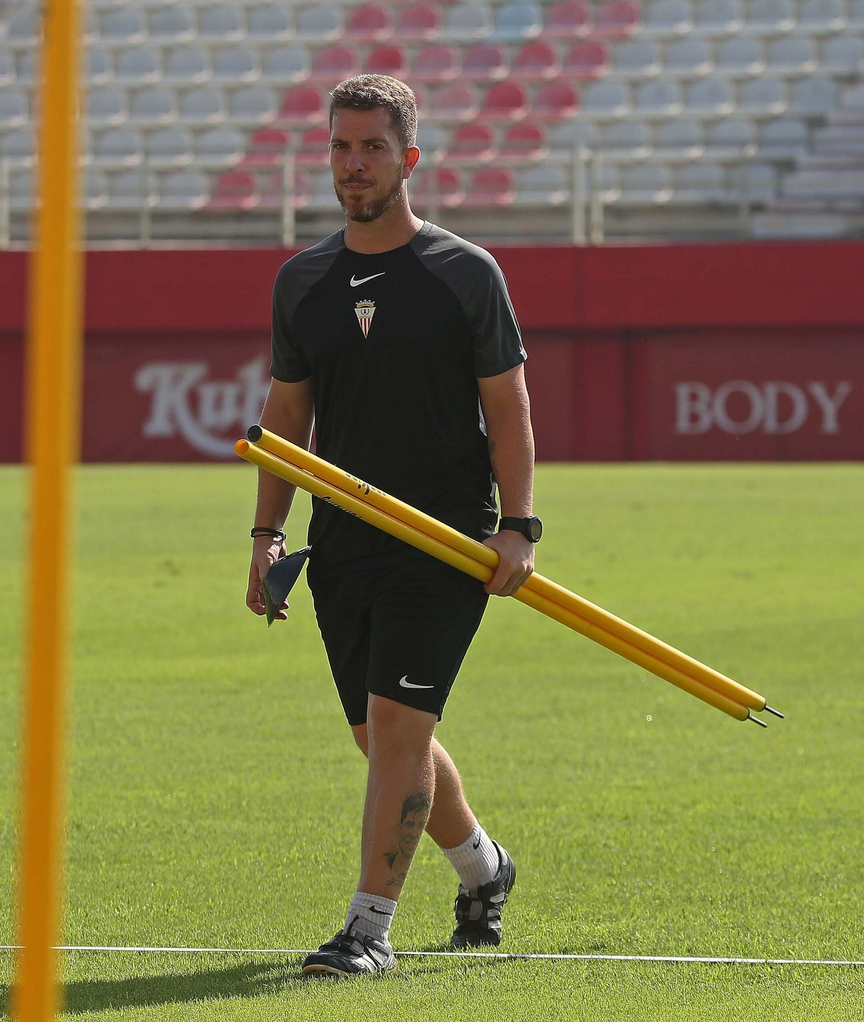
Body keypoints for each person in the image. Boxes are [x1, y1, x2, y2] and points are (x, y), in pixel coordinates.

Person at [243, 74, 542, 978]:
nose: (355, 164)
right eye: (341, 147)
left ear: (409, 159)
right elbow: (285, 420)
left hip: (445, 542)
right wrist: (265, 538)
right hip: (343, 542)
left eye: (373, 148)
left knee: (399, 729)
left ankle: (367, 929)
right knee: (381, 741)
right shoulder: (303, 282)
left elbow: (511, 408)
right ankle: (485, 870)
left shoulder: (464, 273)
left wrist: (519, 527)